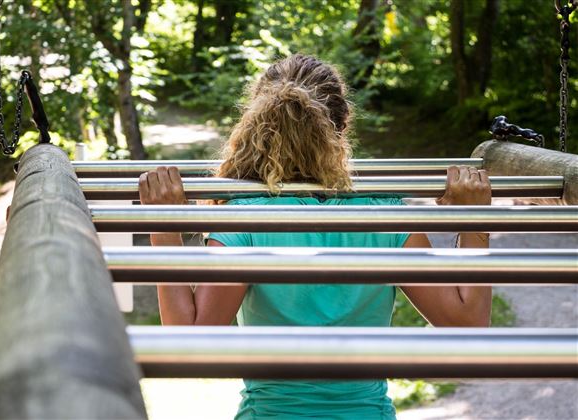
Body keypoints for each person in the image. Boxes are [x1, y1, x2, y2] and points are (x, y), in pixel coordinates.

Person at [138, 54, 492, 420]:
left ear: (259, 124)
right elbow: (468, 324)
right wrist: (473, 217)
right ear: (342, 126)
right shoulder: (385, 213)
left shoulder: (244, 217)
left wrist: (164, 223)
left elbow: (188, 344)